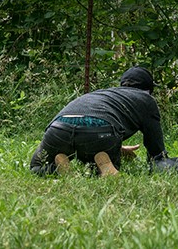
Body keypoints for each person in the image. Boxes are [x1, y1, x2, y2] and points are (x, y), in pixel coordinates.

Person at [29, 66, 167, 177]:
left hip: (59, 127)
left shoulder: (103, 93)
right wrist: (159, 163)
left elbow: (83, 120)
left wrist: (119, 148)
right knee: (96, 164)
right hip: (99, 133)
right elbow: (155, 148)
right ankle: (105, 169)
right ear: (149, 89)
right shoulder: (146, 99)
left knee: (37, 167)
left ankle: (58, 168)